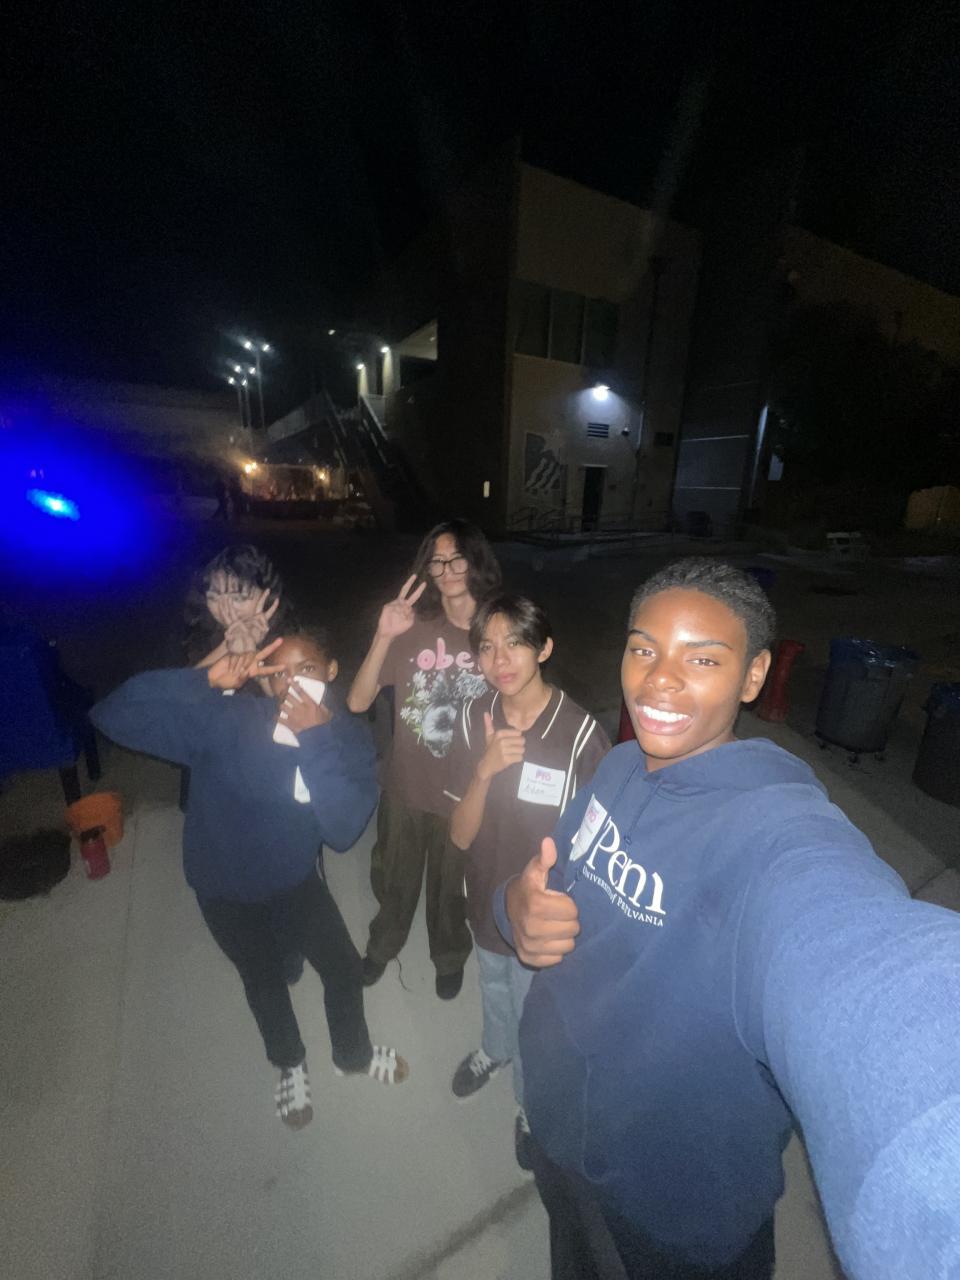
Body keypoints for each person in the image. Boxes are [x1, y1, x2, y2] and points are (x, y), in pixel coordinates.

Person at [497, 558, 960, 1280]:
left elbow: (860, 961)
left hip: (668, 1216)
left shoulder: (775, 829)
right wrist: (516, 907)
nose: (658, 680)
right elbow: (541, 882)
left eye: (703, 659)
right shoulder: (619, 766)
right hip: (559, 1136)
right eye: (644, 649)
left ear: (753, 676)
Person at [91, 627, 409, 1131]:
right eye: (278, 674)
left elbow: (343, 830)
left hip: (295, 881)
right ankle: (290, 1063)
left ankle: (353, 1054)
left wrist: (314, 739)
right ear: (263, 682)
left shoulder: (347, 739)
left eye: (306, 669)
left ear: (331, 672)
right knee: (263, 981)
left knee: (344, 969)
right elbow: (112, 716)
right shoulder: (229, 720)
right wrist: (202, 678)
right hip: (224, 888)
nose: (291, 683)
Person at [445, 592, 609, 1169]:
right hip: (483, 893)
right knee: (492, 986)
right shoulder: (473, 719)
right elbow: (459, 835)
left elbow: (598, 843)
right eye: (487, 647)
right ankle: (494, 1051)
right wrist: (485, 771)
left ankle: (529, 1105)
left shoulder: (582, 736)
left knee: (533, 1014)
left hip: (539, 915)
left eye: (515, 643)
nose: (501, 659)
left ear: (544, 648)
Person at [347, 518, 500, 999]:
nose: (447, 569)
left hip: (466, 791)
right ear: (427, 570)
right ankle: (383, 945)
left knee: (451, 887)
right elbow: (357, 701)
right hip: (407, 783)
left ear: (476, 561)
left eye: (457, 558)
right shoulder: (412, 630)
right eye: (437, 561)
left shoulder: (498, 633)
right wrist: (383, 635)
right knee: (394, 877)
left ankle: (449, 955)